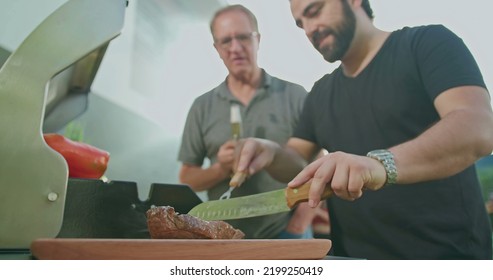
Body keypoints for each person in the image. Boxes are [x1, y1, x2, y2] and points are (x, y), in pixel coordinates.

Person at [233, 0, 493, 259]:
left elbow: (478, 126)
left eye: (315, 11)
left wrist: (380, 165)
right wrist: (272, 153)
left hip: (447, 258)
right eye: (301, 24)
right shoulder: (320, 93)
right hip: (355, 262)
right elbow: (298, 160)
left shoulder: (427, 43)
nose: (310, 28)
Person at [178, 4, 316, 239]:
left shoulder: (294, 96)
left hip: (284, 232)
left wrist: (299, 224)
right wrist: (221, 168)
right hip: (222, 238)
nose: (235, 48)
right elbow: (187, 177)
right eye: (225, 41)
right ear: (217, 48)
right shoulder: (202, 106)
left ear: (258, 39)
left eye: (243, 37)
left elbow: (316, 165)